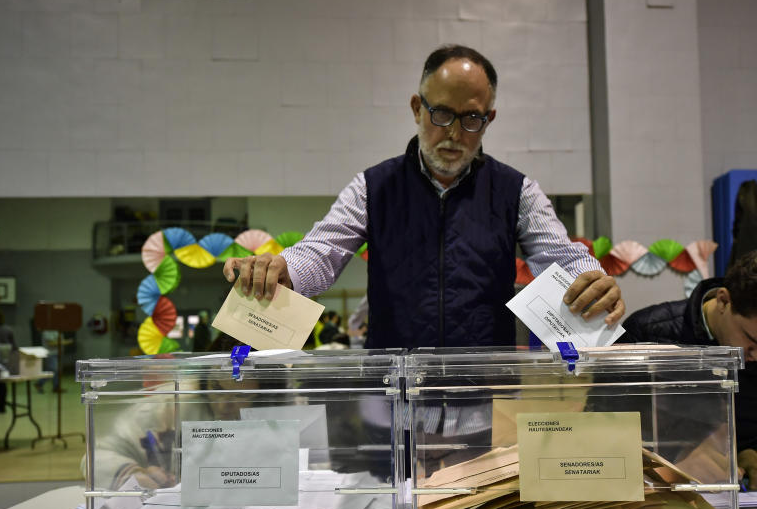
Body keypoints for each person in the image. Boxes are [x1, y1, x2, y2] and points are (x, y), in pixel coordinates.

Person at [223, 44, 623, 349]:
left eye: (471, 119)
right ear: (417, 108)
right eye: (441, 114)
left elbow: (563, 258)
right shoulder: (373, 187)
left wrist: (596, 282)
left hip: (482, 403)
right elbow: (320, 252)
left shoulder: (516, 192)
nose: (453, 133)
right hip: (392, 406)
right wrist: (282, 268)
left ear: (489, 120)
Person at [617, 246, 757, 490]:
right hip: (653, 489)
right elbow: (603, 427)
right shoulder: (647, 332)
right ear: (724, 300)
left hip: (741, 493)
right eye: (753, 342)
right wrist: (667, 461)